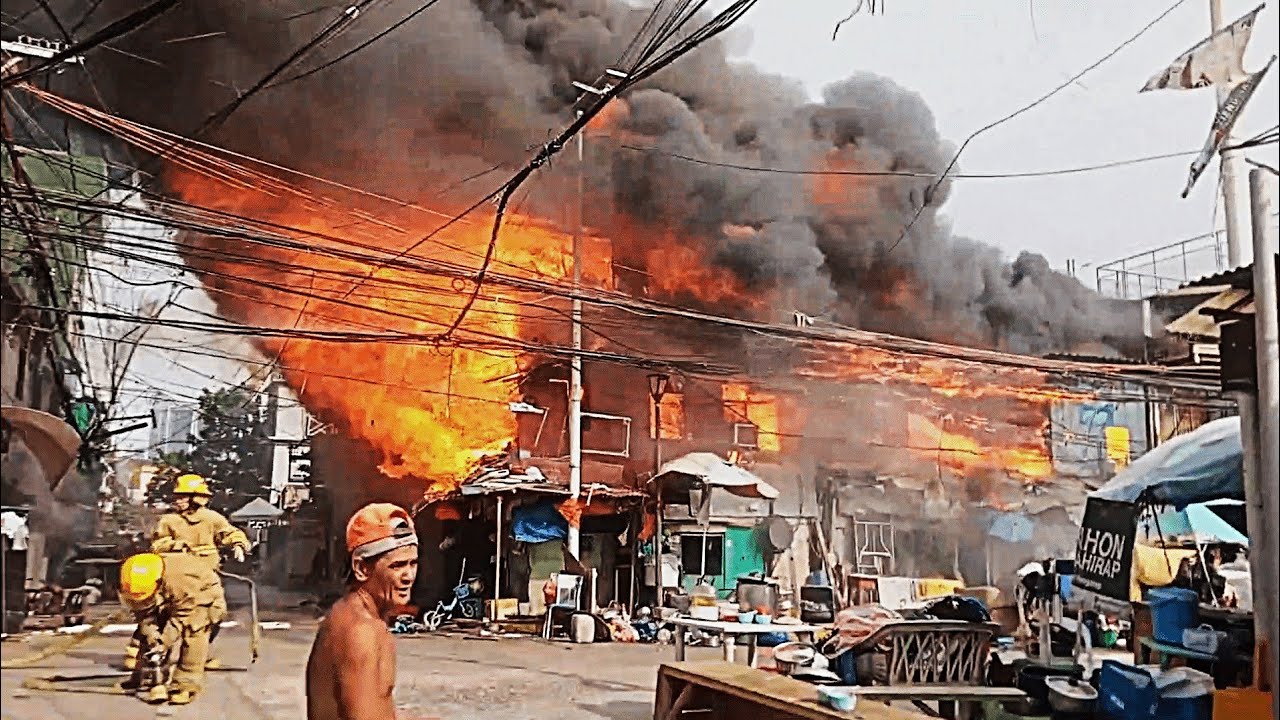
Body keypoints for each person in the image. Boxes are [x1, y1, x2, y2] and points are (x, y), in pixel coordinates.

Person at [133, 473, 250, 705]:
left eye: (183, 496)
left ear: (197, 498)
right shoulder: (168, 521)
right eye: (177, 497)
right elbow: (157, 544)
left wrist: (239, 544)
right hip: (172, 581)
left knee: (201, 628)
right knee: (161, 625)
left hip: (205, 582)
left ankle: (184, 683)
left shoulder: (212, 519)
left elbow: (230, 533)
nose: (177, 500)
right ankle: (151, 674)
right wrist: (177, 546)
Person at [306, 503, 420, 720]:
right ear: (361, 568)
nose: (408, 576)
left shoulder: (345, 613)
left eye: (412, 564)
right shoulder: (362, 632)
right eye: (396, 566)